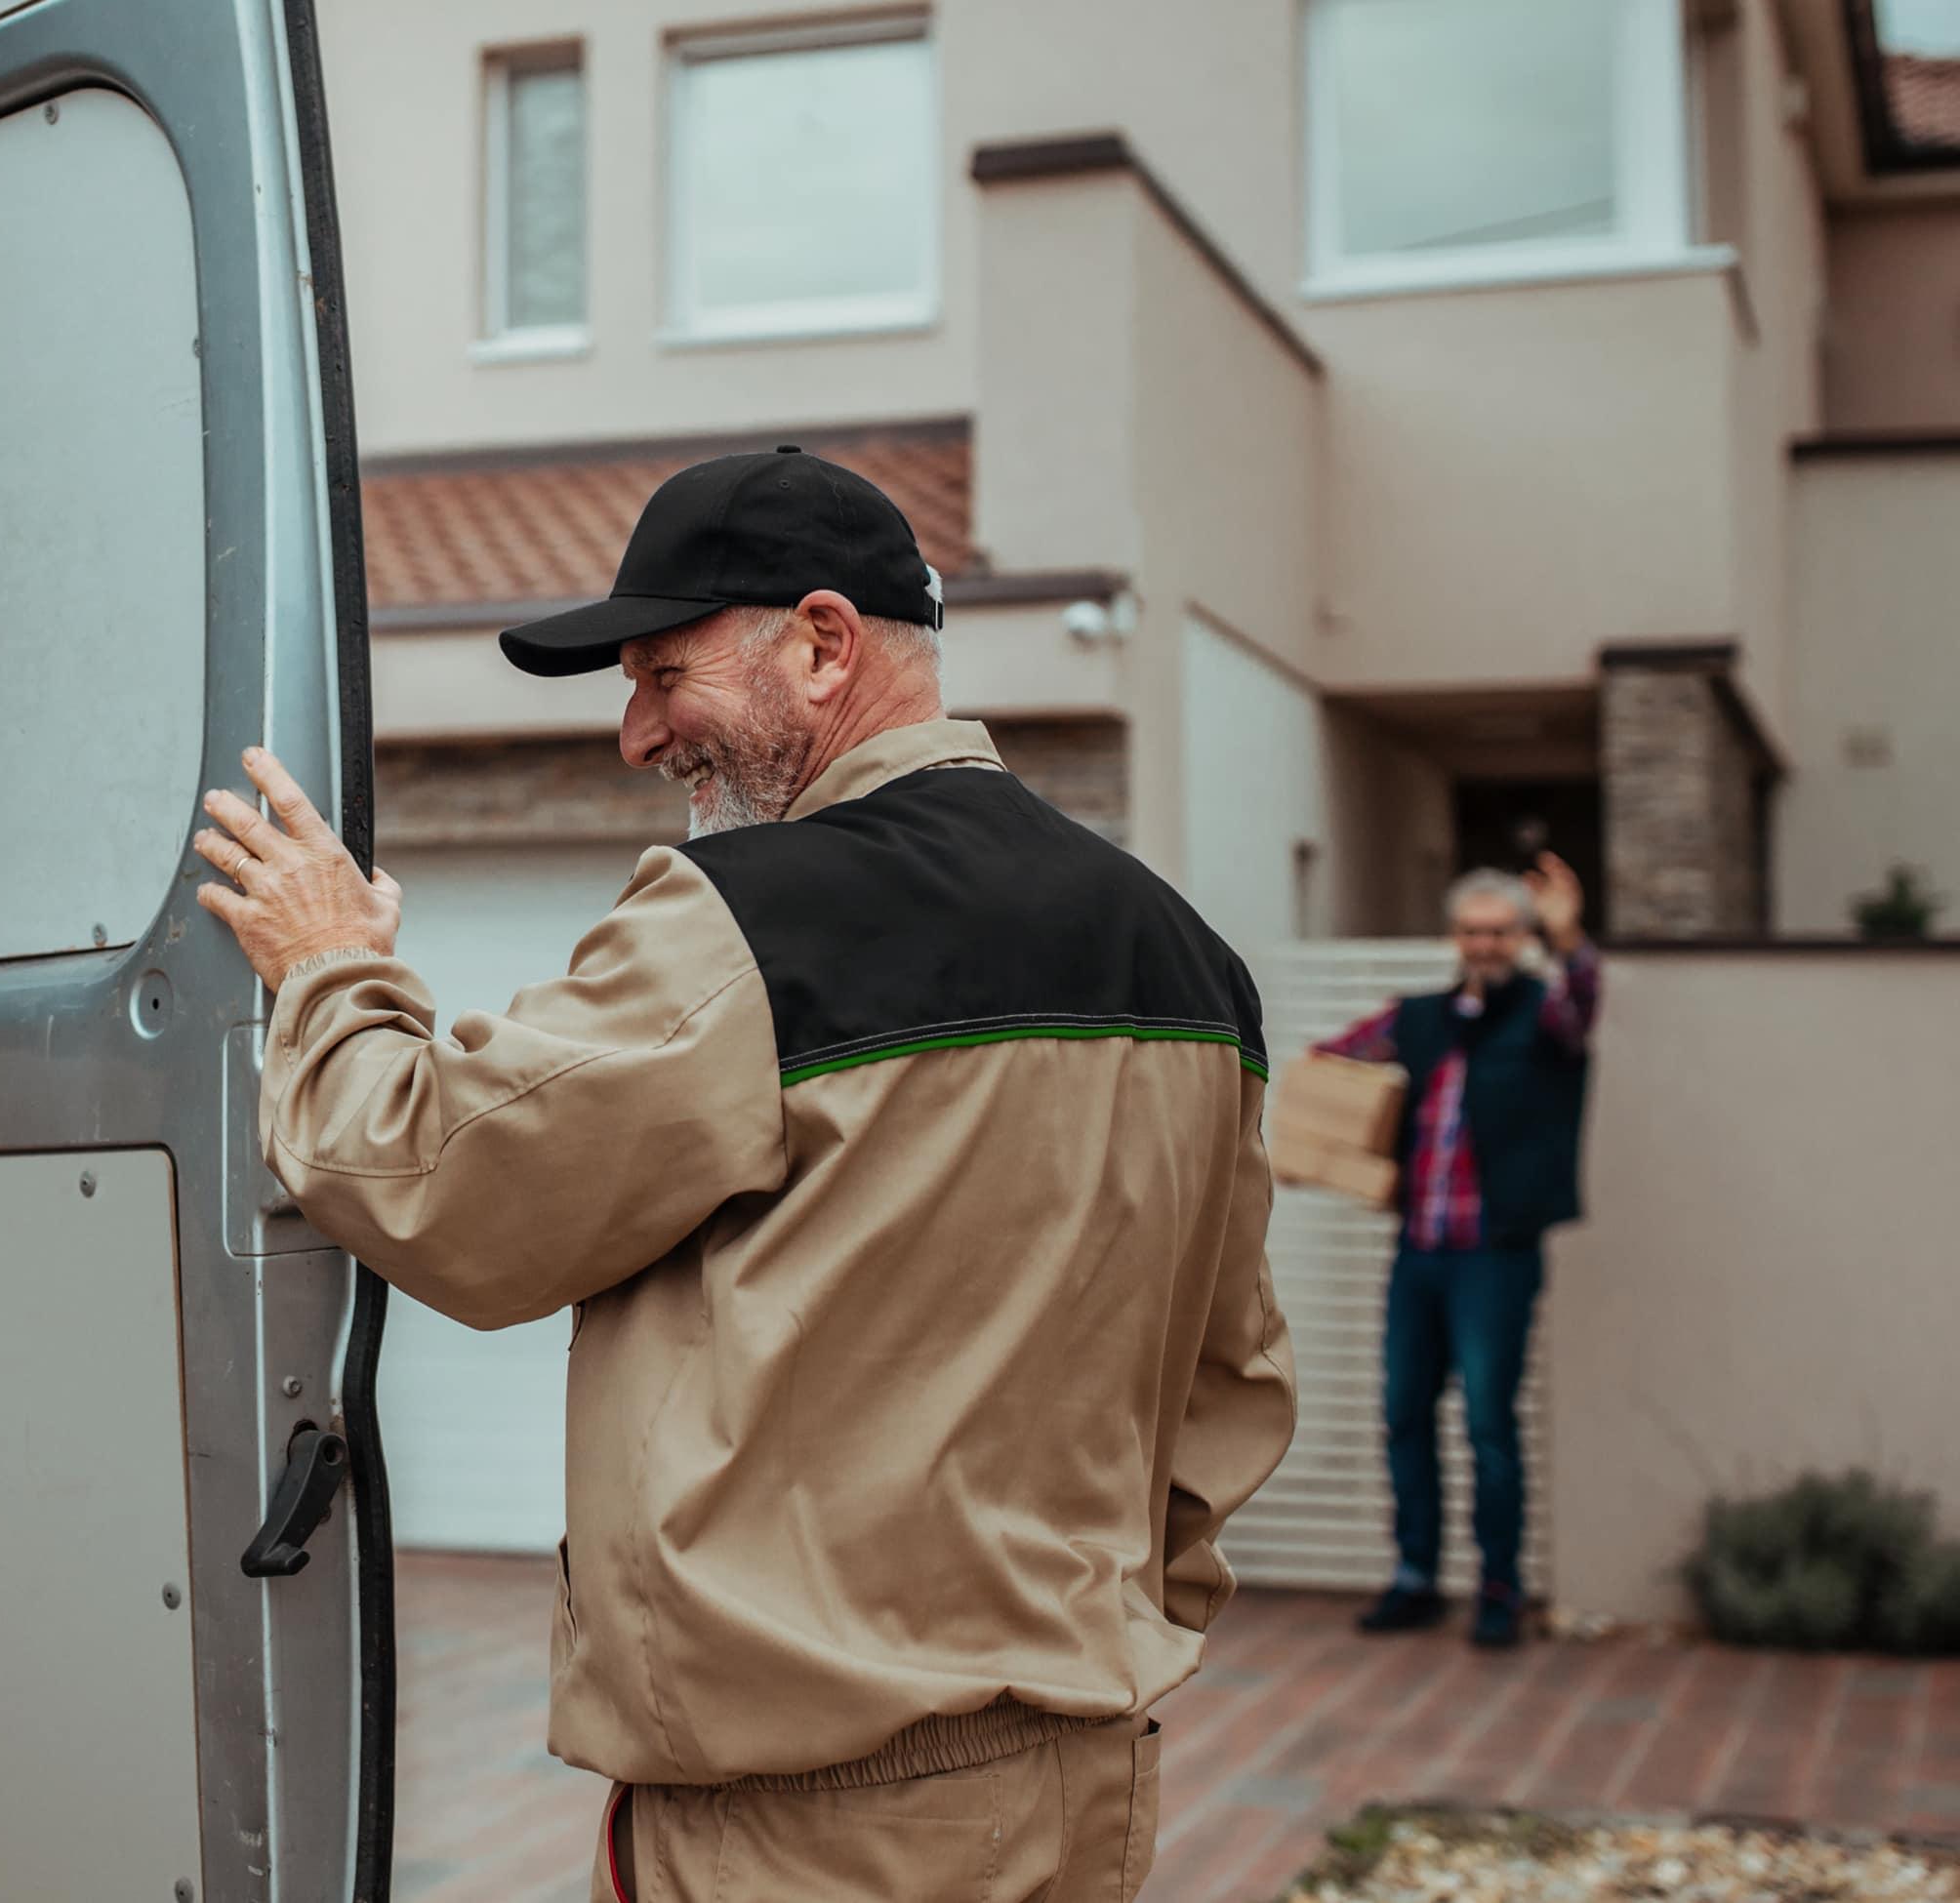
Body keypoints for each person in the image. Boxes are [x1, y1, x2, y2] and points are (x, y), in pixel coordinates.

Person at [187, 448, 1296, 1902]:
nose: (637, 734)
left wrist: (331, 966)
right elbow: (1230, 1393)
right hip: (1081, 1784)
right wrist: (1077, 1645)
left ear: (823, 642)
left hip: (806, 1826)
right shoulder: (1187, 961)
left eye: (662, 674)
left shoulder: (750, 926)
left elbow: (430, 1181)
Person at [1317, 857, 1597, 1650]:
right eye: (1473, 930)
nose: (1485, 943)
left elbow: (1584, 1005)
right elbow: (1337, 1059)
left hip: (1494, 1258)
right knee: (1405, 1415)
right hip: (1419, 1253)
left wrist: (1568, 936)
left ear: (1521, 936)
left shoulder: (1546, 1016)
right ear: (1455, 936)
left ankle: (1499, 1589)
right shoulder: (1420, 1015)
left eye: (1501, 931)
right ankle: (1415, 1579)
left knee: (1486, 1425)